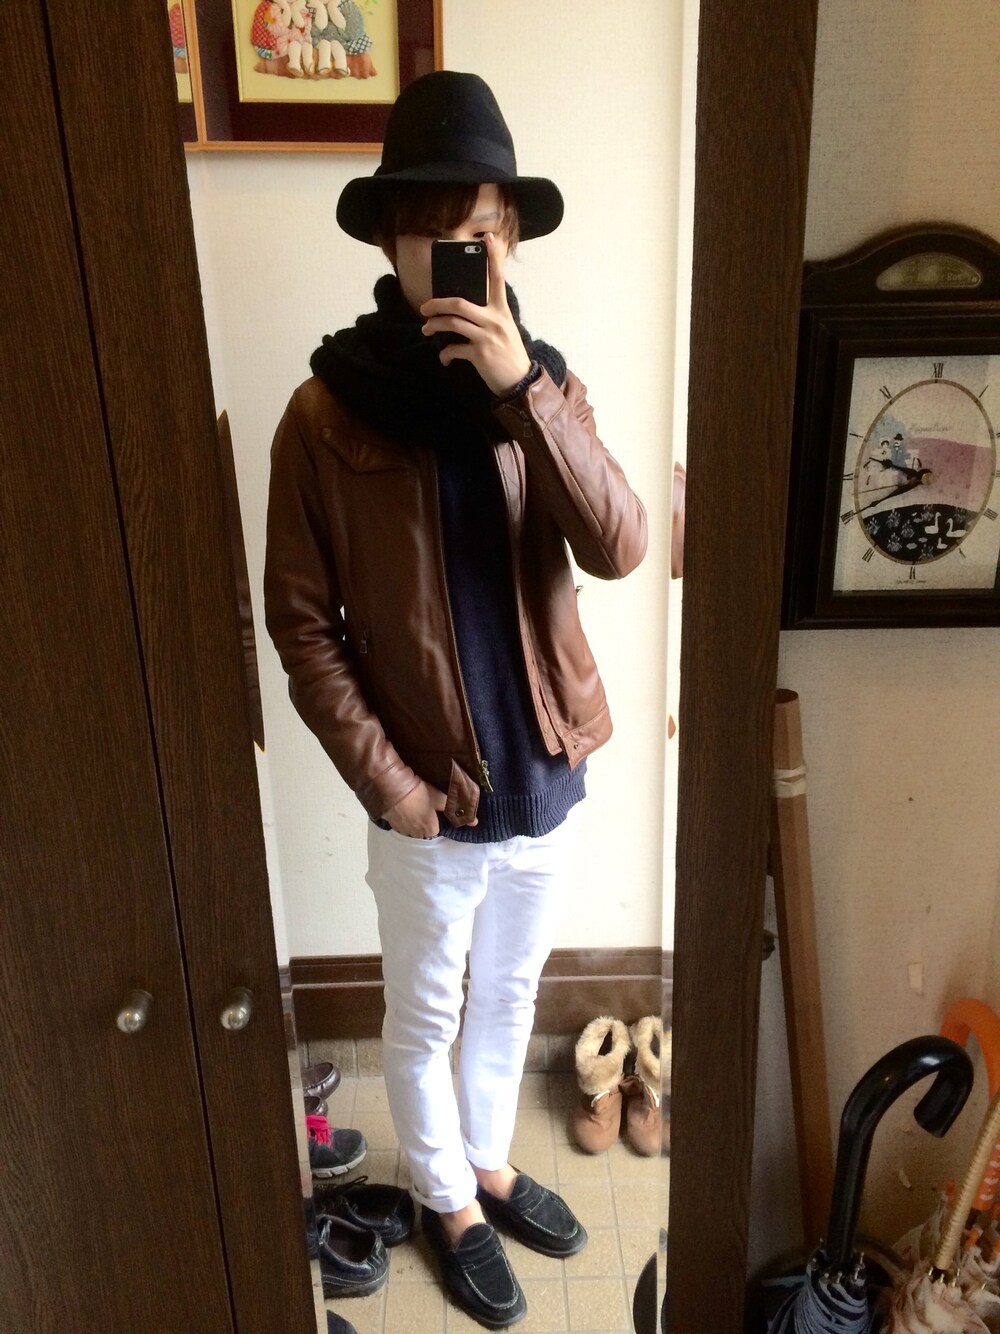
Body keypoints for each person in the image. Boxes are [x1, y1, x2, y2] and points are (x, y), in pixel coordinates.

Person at [264, 70, 647, 1329]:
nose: (454, 253)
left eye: (476, 227)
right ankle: (445, 1197)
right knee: (425, 1010)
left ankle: (485, 1162)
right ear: (388, 240)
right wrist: (394, 787)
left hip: (547, 769)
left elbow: (620, 544)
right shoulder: (324, 414)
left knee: (511, 995)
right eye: (428, 229)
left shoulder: (547, 384)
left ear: (511, 236)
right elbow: (302, 624)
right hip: (430, 795)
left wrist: (523, 386)